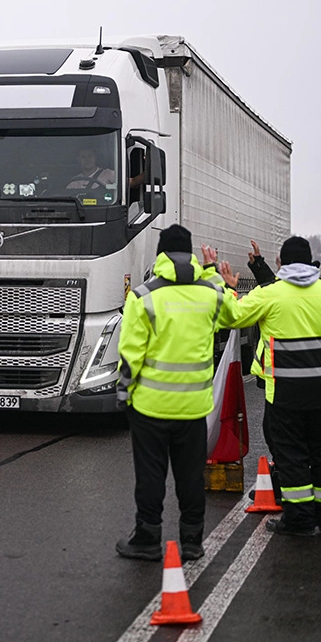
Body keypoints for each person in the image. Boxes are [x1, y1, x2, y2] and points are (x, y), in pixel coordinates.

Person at [219, 236, 321, 536]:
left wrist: (231, 288)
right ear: (310, 261)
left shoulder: (270, 294)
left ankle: (299, 519)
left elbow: (232, 316)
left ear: (281, 261)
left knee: (291, 454)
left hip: (284, 392)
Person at [115, 224, 239, 562]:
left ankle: (148, 539)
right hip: (194, 407)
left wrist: (123, 394)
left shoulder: (142, 297)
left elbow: (130, 356)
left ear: (161, 256)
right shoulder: (210, 296)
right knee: (190, 476)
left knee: (151, 476)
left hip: (150, 407)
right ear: (191, 256)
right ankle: (192, 541)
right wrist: (216, 277)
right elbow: (234, 315)